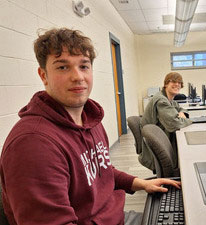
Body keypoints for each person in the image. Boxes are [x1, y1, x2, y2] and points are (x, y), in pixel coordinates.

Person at [0, 28, 181, 225]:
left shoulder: (90, 119)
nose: (77, 76)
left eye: (84, 66)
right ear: (43, 75)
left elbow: (101, 170)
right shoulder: (33, 143)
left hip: (117, 218)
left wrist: (140, 183)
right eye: (62, 67)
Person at [140, 72, 192, 171]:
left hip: (161, 137)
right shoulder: (162, 101)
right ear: (166, 84)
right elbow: (175, 124)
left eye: (179, 82)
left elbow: (180, 109)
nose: (177, 84)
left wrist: (182, 114)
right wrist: (188, 120)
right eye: (173, 81)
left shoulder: (169, 99)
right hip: (158, 142)